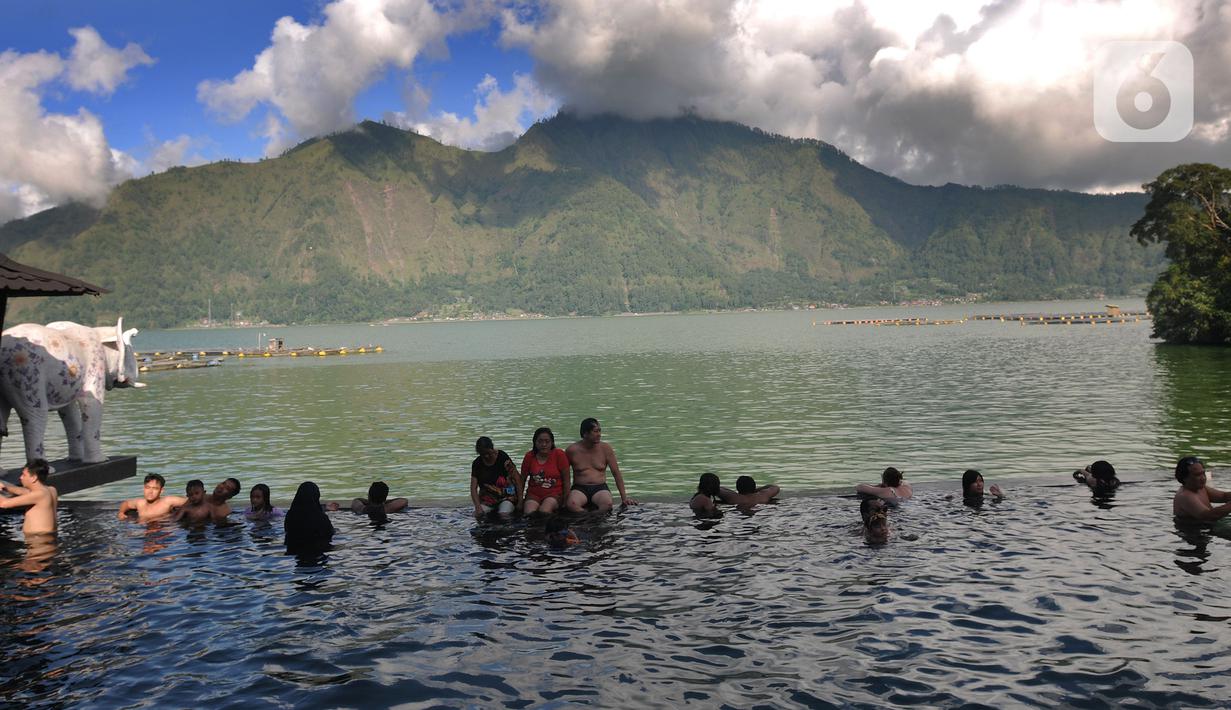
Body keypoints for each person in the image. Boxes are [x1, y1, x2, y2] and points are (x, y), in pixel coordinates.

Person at [565, 418, 637, 512]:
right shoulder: (572, 450)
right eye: (595, 431)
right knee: (572, 504)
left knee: (607, 504)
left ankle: (594, 518)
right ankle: (586, 517)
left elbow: (616, 473)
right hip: (580, 487)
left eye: (599, 431)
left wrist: (624, 498)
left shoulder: (606, 448)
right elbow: (564, 476)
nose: (599, 434)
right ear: (585, 433)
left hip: (599, 487)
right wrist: (564, 498)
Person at [0, 459, 58, 536]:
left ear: (34, 478)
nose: (20, 478)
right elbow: (22, 491)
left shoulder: (39, 494)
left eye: (24, 475)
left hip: (38, 540)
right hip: (45, 537)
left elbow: (3, 504)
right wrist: (5, 487)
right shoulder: (51, 490)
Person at [520, 427, 571, 516]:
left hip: (554, 494)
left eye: (547, 441)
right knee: (529, 512)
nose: (544, 444)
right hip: (533, 494)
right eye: (540, 441)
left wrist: (565, 502)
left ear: (552, 443)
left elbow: (566, 481)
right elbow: (522, 480)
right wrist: (520, 501)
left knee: (545, 510)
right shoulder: (529, 456)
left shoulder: (559, 454)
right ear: (535, 442)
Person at [471, 437, 521, 518]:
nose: (486, 456)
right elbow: (473, 488)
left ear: (492, 448)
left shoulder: (503, 457)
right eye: (483, 454)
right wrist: (477, 506)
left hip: (507, 497)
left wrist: (520, 502)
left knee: (504, 514)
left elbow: (517, 479)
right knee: (477, 515)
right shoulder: (477, 464)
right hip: (487, 500)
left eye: (488, 453)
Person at [1173, 455, 1231, 523]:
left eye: (1203, 473)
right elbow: (1209, 516)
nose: (1203, 478)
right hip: (1196, 531)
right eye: (1197, 475)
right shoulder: (1185, 496)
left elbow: (1223, 496)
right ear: (1184, 478)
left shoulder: (1201, 488)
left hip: (1209, 527)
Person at [284, 481, 334, 550]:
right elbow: (330, 532)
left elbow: (287, 531)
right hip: (317, 550)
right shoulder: (320, 517)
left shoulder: (290, 515)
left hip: (293, 549)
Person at [118, 473, 187, 521]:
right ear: (144, 488)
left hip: (162, 531)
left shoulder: (167, 501)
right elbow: (126, 503)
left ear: (161, 490)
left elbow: (190, 500)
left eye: (155, 488)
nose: (150, 492)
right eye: (147, 487)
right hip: (143, 530)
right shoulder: (140, 503)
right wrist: (121, 513)